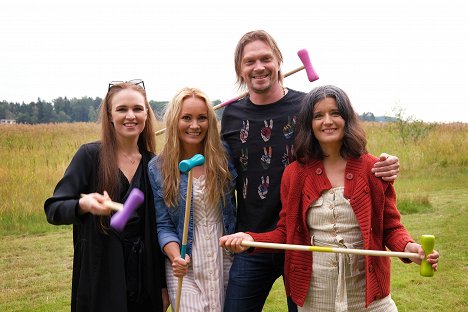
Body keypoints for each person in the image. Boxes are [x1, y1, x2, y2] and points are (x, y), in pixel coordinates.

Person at [220, 30, 401, 312]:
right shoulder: (231, 115)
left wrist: (383, 164)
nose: (259, 67)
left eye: (266, 58)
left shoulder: (308, 106)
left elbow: (342, 147)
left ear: (278, 61)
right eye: (249, 61)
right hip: (253, 237)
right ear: (240, 70)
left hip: (305, 237)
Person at [220, 85, 439, 311]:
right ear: (308, 123)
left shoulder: (373, 168)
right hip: (316, 298)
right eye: (318, 115)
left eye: (335, 113)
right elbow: (287, 232)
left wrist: (409, 247)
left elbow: (391, 227)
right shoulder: (295, 174)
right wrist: (249, 239)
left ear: (347, 119)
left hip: (370, 298)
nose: (328, 121)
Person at [44, 80, 169, 312]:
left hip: (143, 281)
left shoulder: (153, 164)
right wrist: (83, 204)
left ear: (146, 115)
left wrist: (162, 286)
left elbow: (158, 226)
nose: (130, 115)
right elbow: (53, 209)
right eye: (122, 109)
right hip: (100, 277)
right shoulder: (90, 156)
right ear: (110, 116)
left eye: (137, 109)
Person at [148, 87, 237, 311]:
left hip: (225, 254)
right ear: (174, 120)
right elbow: (163, 224)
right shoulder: (158, 167)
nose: (195, 125)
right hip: (185, 262)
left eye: (202, 118)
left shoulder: (223, 156)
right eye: (186, 118)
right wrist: (176, 256)